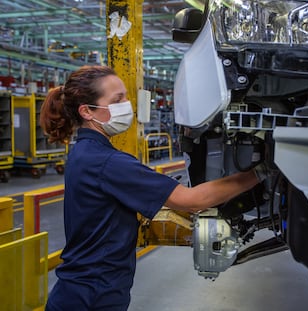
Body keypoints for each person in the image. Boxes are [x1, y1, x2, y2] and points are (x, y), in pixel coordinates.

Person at [40, 65, 264, 311]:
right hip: (92, 297)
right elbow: (192, 200)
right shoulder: (108, 163)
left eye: (125, 96)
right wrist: (260, 173)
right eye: (117, 100)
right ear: (87, 111)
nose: (128, 105)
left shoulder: (84, 152)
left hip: (81, 290)